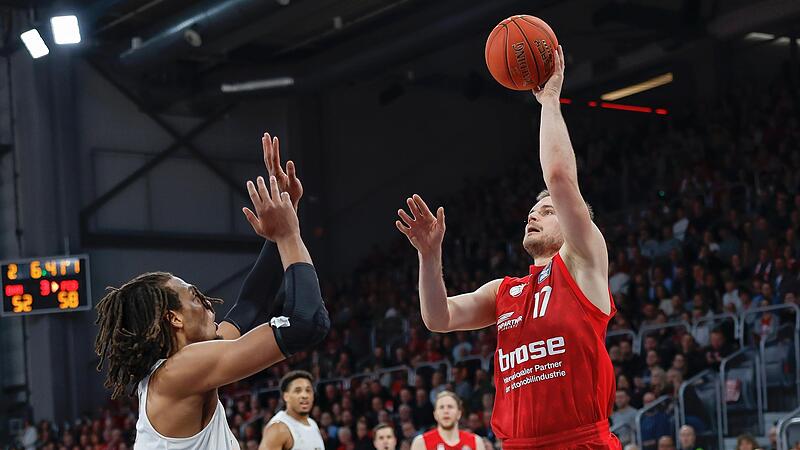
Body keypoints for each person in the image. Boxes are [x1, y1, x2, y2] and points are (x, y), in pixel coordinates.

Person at [396, 46, 619, 449]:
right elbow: (438, 317)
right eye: (532, 211)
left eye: (547, 210)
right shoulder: (504, 291)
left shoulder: (584, 262)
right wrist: (429, 257)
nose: (533, 215)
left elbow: (559, 177)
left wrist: (549, 98)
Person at [94, 133, 330, 450]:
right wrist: (289, 235)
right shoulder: (181, 370)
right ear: (173, 318)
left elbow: (249, 303)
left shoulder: (182, 366)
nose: (208, 304)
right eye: (195, 297)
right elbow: (307, 322)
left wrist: (284, 218)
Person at [260, 370, 324, 450]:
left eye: (308, 390)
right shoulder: (278, 428)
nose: (304, 395)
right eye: (298, 391)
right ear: (286, 396)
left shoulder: (313, 424)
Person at [411, 391, 484, 450]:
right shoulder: (421, 442)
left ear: (459, 413)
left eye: (450, 407)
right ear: (435, 415)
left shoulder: (476, 442)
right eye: (441, 407)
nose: (446, 411)